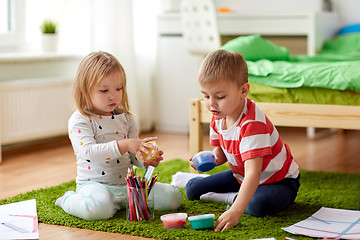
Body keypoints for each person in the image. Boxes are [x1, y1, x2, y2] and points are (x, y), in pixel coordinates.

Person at [55, 51, 182, 221]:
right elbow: (89, 153)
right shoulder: (80, 120)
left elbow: (132, 158)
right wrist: (126, 144)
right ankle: (68, 200)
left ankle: (119, 203)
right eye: (104, 90)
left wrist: (145, 160)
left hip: (127, 187)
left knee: (173, 198)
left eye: (118, 88)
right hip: (95, 187)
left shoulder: (127, 120)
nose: (113, 95)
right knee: (97, 209)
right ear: (85, 90)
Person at [185, 49, 300, 232]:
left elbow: (254, 174)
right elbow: (221, 155)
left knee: (257, 205)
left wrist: (237, 210)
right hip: (241, 175)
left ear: (243, 90)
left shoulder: (252, 124)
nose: (211, 104)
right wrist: (206, 159)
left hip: (278, 181)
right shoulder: (218, 114)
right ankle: (237, 196)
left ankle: (234, 199)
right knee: (192, 189)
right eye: (206, 96)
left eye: (220, 97)